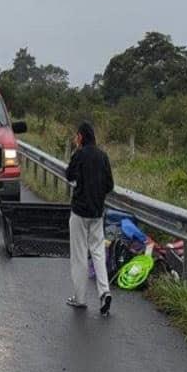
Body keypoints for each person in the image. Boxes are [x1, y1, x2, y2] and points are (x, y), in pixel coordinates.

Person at [65, 121, 114, 316]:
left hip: (79, 212)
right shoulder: (103, 156)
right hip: (97, 212)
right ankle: (104, 292)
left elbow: (69, 175)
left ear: (81, 137)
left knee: (79, 255)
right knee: (98, 253)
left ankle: (80, 298)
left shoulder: (79, 155)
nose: (76, 139)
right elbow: (110, 185)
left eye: (77, 136)